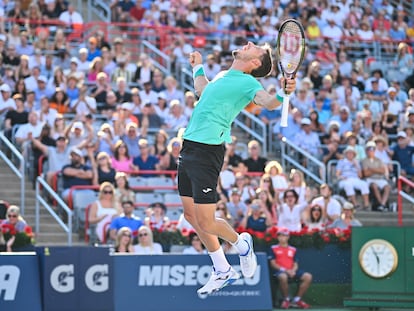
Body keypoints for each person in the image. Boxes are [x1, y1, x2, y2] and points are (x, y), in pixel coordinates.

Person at [178, 43, 296, 296]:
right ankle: (222, 269)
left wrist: (282, 95)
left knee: (207, 221)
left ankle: (242, 244)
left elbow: (267, 101)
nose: (248, 44)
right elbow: (202, 90)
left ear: (255, 63)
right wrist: (198, 66)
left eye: (254, 48)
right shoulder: (223, 75)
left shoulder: (249, 84)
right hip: (189, 147)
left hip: (207, 151)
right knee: (191, 216)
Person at [269, 228, 312, 309]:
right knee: (283, 277)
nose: (282, 238)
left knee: (308, 276)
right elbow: (273, 264)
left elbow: (295, 264)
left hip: (292, 271)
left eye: (284, 236)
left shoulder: (293, 249)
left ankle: (297, 299)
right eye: (280, 236)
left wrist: (293, 271)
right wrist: (285, 270)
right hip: (280, 271)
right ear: (277, 237)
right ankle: (286, 300)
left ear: (288, 237)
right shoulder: (273, 248)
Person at [361, 141, 390, 211]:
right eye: (369, 149)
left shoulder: (379, 160)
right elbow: (365, 173)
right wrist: (377, 170)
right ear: (366, 150)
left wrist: (371, 169)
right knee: (374, 186)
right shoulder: (364, 160)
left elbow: (383, 171)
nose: (371, 151)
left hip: (379, 179)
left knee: (387, 187)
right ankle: (381, 204)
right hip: (369, 179)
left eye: (372, 149)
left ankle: (382, 204)